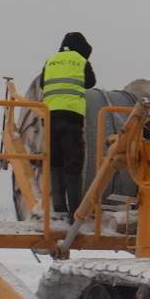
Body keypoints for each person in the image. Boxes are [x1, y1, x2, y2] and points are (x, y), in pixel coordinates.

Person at [40, 32, 96, 220]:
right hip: (71, 118)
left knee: (55, 163)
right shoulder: (80, 60)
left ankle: (58, 209)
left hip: (50, 117)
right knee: (73, 164)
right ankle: (75, 212)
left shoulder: (51, 60)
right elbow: (90, 83)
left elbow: (42, 83)